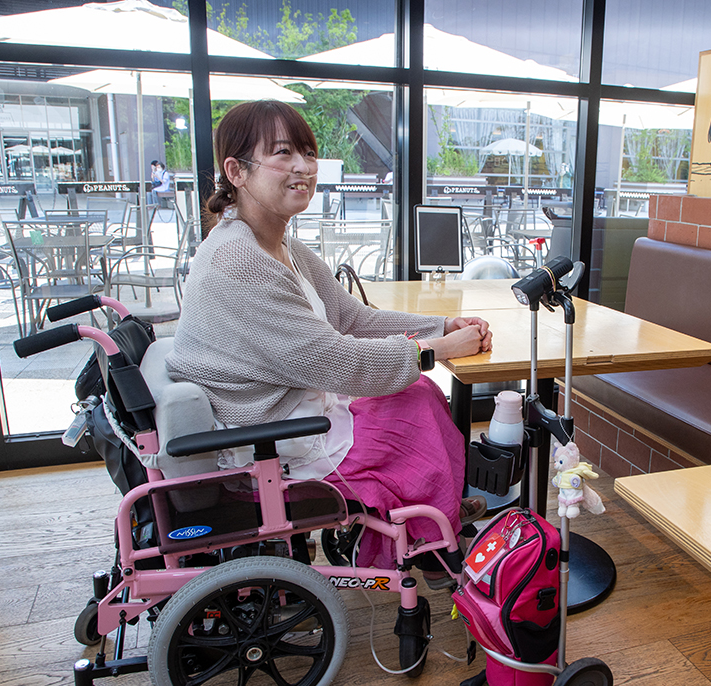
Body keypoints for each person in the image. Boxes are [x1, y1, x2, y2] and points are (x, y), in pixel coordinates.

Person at [165, 100, 493, 583]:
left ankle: (432, 521)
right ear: (236, 171)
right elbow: (331, 360)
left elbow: (348, 316)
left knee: (417, 393)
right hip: (270, 441)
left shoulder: (280, 244)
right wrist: (437, 352)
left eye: (308, 152)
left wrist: (440, 326)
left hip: (297, 411)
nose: (303, 167)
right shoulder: (239, 260)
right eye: (283, 154)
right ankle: (431, 532)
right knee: (415, 404)